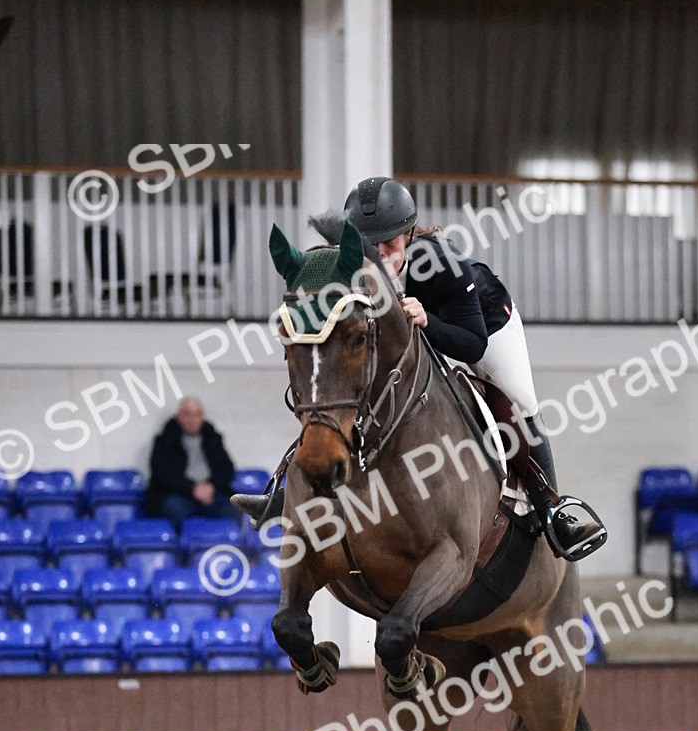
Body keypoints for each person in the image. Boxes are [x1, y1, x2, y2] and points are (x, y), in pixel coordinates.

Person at [240, 177, 606, 561]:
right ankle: (285, 493)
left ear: (409, 235)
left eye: (390, 245)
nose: (381, 255)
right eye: (371, 247)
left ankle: (551, 508)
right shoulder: (350, 263)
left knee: (520, 400)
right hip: (414, 331)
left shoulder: (442, 263)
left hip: (482, 323)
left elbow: (472, 344)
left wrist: (428, 320)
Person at [145, 396, 237, 529]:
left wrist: (211, 487)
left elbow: (227, 469)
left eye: (197, 414)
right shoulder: (164, 440)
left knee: (233, 507)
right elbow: (162, 473)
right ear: (179, 416)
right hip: (179, 494)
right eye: (187, 414)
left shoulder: (213, 439)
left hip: (211, 492)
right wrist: (192, 489)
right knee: (174, 508)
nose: (192, 419)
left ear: (202, 417)